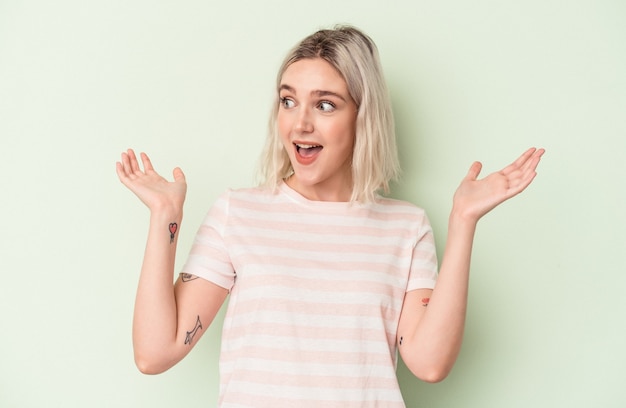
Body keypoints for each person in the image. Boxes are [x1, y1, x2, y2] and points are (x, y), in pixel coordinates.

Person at [116, 25, 544, 407]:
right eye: (288, 100)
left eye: (325, 105)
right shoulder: (238, 213)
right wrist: (165, 217)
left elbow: (429, 365)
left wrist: (463, 221)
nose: (300, 124)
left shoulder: (406, 227)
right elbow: (155, 354)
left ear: (363, 117)